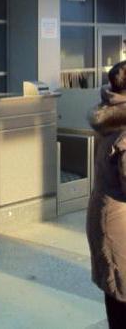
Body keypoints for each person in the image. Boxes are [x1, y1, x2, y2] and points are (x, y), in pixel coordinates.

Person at [87, 60, 126, 328]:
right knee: (121, 293)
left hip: (108, 215)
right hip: (118, 225)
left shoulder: (113, 113)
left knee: (117, 293)